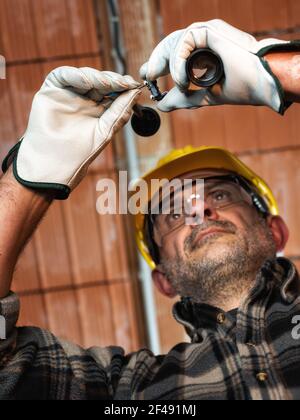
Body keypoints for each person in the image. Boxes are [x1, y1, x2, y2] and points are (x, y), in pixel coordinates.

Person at [0, 19, 299, 400]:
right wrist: (27, 180)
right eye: (173, 212)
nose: (198, 211)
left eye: (220, 195)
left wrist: (278, 71)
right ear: (164, 280)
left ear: (275, 230)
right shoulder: (127, 392)